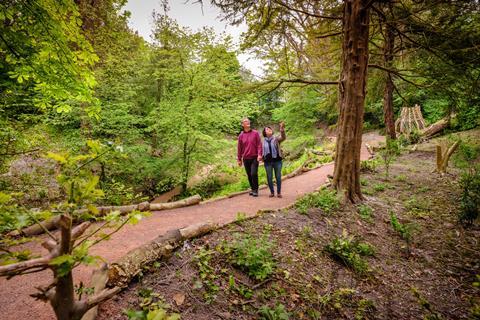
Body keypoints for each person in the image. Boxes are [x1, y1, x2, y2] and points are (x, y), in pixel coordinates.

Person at [237, 118, 263, 197]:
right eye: (245, 121)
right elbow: (239, 148)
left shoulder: (255, 133)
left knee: (253, 173)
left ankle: (256, 190)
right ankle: (252, 189)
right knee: (249, 174)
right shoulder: (241, 135)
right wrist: (239, 159)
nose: (247, 122)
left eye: (248, 121)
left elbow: (259, 144)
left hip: (254, 157)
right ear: (243, 125)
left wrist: (259, 154)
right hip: (245, 158)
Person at [262, 122, 286, 198]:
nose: (269, 129)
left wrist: (282, 130)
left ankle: (279, 192)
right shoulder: (262, 142)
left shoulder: (276, 139)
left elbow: (283, 137)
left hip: (277, 161)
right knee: (269, 177)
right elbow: (260, 150)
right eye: (267, 129)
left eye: (270, 129)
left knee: (278, 176)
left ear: (272, 131)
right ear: (264, 132)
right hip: (267, 162)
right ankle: (272, 192)